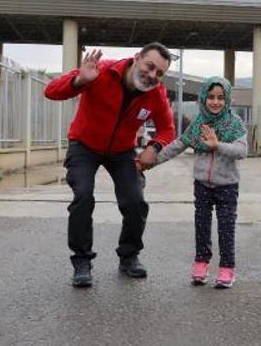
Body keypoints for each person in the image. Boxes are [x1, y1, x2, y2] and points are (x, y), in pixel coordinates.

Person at [44, 42, 176, 287]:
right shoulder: (101, 71)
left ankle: (129, 256)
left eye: (160, 73)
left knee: (135, 201)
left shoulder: (155, 94)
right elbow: (51, 91)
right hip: (84, 145)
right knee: (83, 196)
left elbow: (168, 129)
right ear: (136, 58)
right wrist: (80, 81)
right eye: (150, 66)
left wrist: (154, 147)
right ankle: (82, 260)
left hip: (121, 151)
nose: (152, 75)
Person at [146, 76, 247, 288]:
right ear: (203, 98)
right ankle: (201, 263)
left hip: (227, 185)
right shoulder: (198, 124)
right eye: (211, 97)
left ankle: (227, 268)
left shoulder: (235, 123)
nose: (215, 102)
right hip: (202, 184)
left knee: (226, 228)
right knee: (201, 226)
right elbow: (178, 145)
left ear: (227, 99)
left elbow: (242, 151)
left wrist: (217, 145)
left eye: (220, 97)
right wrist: (150, 162)